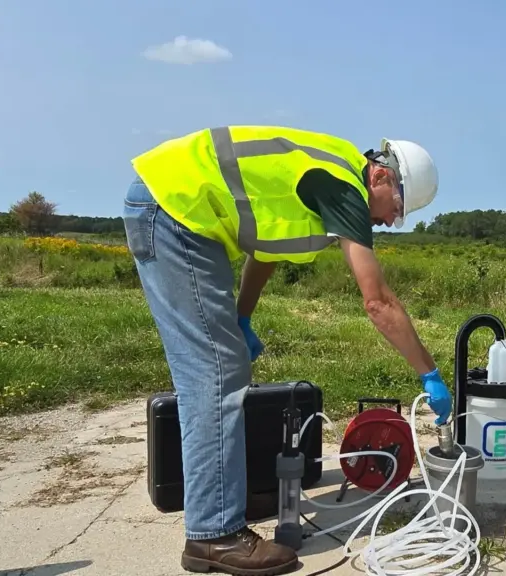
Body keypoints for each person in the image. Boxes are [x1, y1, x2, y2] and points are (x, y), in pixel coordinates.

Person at [121, 126, 454, 575]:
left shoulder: (323, 181)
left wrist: (241, 318)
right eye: (398, 207)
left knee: (222, 366)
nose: (393, 221)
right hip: (174, 207)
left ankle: (216, 515)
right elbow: (378, 302)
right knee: (216, 374)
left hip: (178, 208)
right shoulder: (344, 186)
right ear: (381, 177)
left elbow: (266, 251)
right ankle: (213, 536)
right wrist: (428, 372)